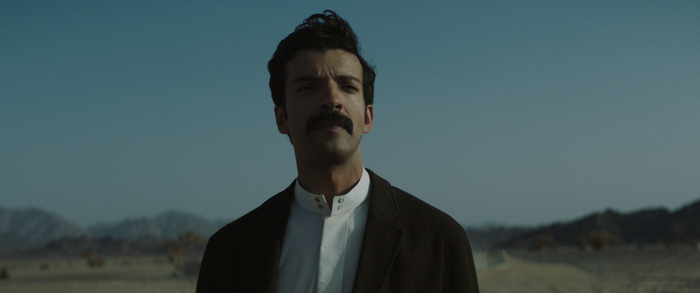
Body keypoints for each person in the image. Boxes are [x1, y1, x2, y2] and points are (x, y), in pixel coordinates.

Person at [196, 10, 479, 293]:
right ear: (281, 118)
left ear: (368, 117)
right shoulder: (229, 251)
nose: (332, 100)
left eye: (347, 86)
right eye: (308, 87)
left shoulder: (439, 242)